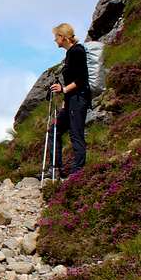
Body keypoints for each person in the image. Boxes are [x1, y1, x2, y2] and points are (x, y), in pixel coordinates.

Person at [48, 22, 89, 175]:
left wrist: (63, 89)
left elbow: (81, 79)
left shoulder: (77, 52)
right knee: (54, 129)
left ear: (63, 37)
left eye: (56, 37)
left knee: (76, 133)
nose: (54, 40)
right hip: (71, 100)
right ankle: (55, 169)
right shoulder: (70, 53)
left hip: (79, 99)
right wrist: (65, 100)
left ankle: (78, 171)